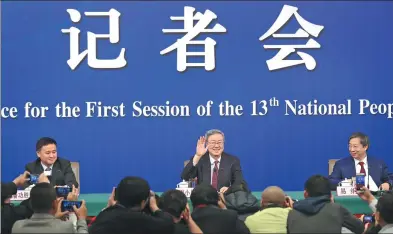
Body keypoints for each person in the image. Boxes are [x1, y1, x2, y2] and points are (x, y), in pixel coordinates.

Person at [88, 176, 174, 234]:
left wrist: (108, 208)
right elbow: (168, 224)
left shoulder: (105, 217)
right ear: (143, 202)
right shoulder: (143, 220)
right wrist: (154, 206)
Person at [287, 175, 364, 234]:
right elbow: (360, 229)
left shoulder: (291, 213)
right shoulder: (337, 209)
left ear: (305, 194)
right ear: (331, 195)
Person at [181, 129, 245, 194]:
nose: (216, 146)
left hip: (225, 199)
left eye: (219, 142)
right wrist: (197, 155)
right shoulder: (200, 159)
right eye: (213, 142)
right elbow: (186, 177)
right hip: (204, 199)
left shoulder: (232, 160)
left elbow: (239, 183)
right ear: (206, 144)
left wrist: (230, 189)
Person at [11, 182, 88, 233]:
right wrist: (81, 219)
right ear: (54, 204)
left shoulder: (17, 227)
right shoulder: (66, 228)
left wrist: (55, 218)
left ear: (31, 204)